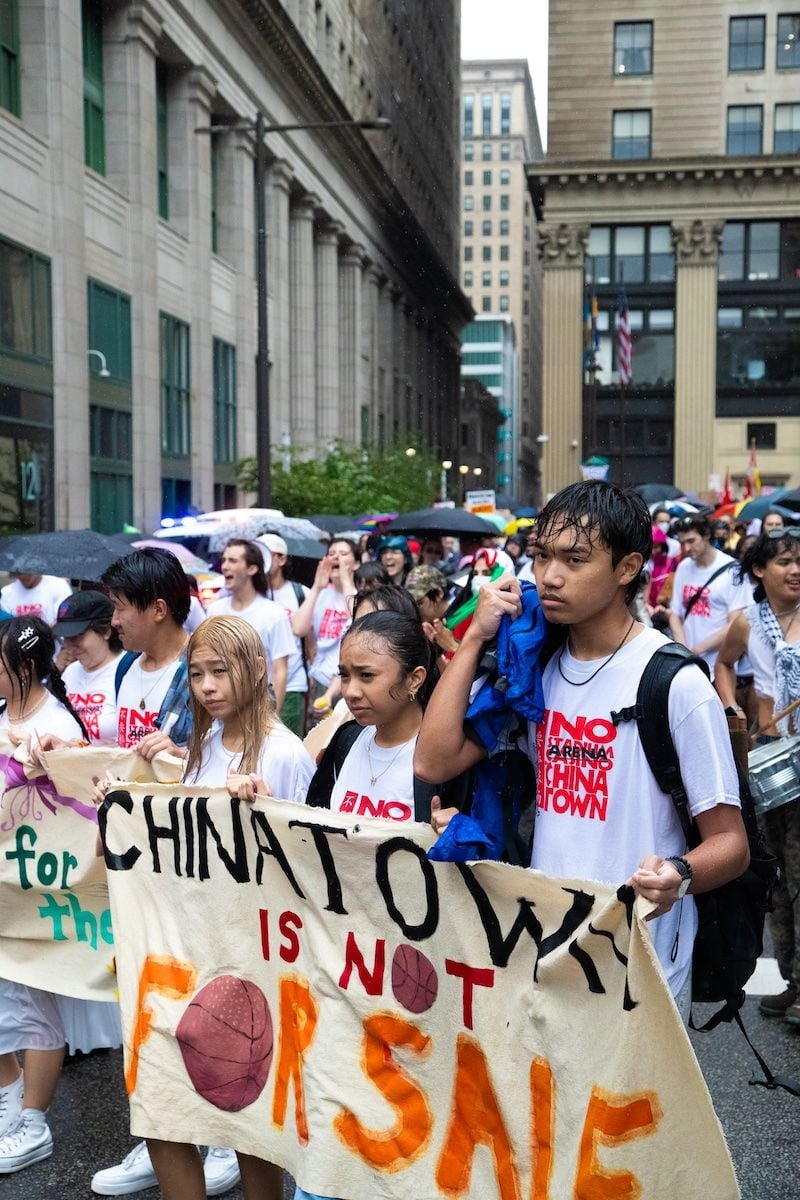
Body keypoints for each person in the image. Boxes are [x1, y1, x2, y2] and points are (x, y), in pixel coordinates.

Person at [415, 480, 749, 1014]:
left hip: (639, 964)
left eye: (575, 559)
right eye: (541, 555)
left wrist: (678, 876)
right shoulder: (533, 670)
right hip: (540, 948)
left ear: (627, 567)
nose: (549, 576)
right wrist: (475, 636)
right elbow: (433, 761)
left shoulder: (674, 683)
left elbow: (731, 843)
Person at [92, 616, 314, 1199]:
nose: (208, 686)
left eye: (222, 670)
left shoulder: (287, 756)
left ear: (258, 669)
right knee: (161, 1104)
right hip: (184, 944)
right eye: (197, 674)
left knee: (246, 1121)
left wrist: (266, 812)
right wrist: (123, 806)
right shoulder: (201, 748)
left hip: (251, 961)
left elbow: (312, 869)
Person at [0, 617, 98, 1174]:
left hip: (39, 882)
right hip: (3, 880)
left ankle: (33, 1121)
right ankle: (9, 1096)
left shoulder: (56, 722)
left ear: (25, 667)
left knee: (37, 997)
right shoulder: (1, 715)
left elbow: (77, 798)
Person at [715, 528, 800, 1023]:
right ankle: (792, 977)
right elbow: (724, 665)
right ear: (758, 571)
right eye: (784, 561)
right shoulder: (747, 622)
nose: (794, 570)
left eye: (799, 561)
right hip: (770, 755)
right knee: (777, 875)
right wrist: (731, 706)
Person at [100, 548, 193, 756]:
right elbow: (126, 751)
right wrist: (70, 750)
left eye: (120, 608)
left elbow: (234, 756)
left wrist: (181, 754)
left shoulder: (205, 672)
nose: (114, 621)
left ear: (159, 610)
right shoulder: (125, 665)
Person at [205, 540, 294, 714]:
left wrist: (274, 716)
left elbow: (280, 670)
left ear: (252, 569)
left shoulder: (274, 614)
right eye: (224, 560)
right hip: (221, 706)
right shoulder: (215, 610)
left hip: (258, 707)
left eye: (233, 561)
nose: (225, 566)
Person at [668, 514, 747, 671]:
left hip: (719, 666)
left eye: (691, 541)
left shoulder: (732, 570)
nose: (686, 548)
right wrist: (684, 650)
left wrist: (697, 650)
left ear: (706, 535)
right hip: (688, 664)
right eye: (682, 543)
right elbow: (675, 614)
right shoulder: (684, 567)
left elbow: (735, 623)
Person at [292, 539, 357, 720]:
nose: (336, 557)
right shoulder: (320, 594)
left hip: (349, 680)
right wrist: (317, 586)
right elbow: (298, 628)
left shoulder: (360, 597)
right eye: (331, 553)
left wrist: (345, 580)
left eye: (343, 554)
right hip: (319, 681)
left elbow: (358, 619)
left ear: (357, 563)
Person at [257, 534, 313, 738]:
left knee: (286, 741)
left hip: (292, 683)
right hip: (256, 685)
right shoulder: (251, 594)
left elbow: (309, 639)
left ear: (282, 559)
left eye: (268, 554)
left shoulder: (300, 592)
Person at [55, 591, 124, 745]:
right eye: (66, 638)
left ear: (106, 631)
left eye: (77, 636)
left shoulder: (127, 670)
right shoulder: (70, 672)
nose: (69, 646)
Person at [0, 573, 71, 626]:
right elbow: (6, 627)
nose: (22, 576)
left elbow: (64, 618)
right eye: (18, 572)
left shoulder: (59, 586)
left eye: (27, 571)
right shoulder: (6, 593)